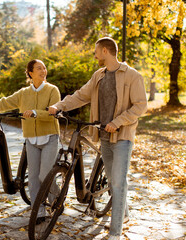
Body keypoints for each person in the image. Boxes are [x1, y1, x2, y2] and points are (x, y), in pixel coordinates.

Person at [48, 37, 147, 240]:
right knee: (112, 180)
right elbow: (81, 95)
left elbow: (140, 106)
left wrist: (118, 121)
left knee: (118, 182)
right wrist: (59, 106)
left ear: (104, 51)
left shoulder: (132, 76)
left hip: (122, 136)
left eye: (96, 51)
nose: (94, 55)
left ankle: (115, 232)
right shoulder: (98, 76)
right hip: (103, 135)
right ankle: (124, 213)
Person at [0, 59, 61, 224]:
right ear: (30, 73)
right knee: (33, 178)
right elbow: (4, 102)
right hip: (31, 140)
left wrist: (35, 112)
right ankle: (38, 211)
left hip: (50, 137)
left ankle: (57, 199)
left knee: (44, 175)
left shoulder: (52, 90)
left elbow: (53, 111)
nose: (43, 71)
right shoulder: (23, 93)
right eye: (39, 68)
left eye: (44, 68)